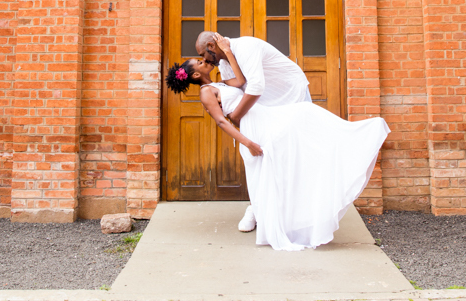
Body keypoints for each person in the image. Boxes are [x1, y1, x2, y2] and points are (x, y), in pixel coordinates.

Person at [166, 36, 390, 251]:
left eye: (201, 56)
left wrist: (227, 52)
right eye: (199, 61)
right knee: (269, 168)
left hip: (263, 117)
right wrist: (249, 143)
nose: (204, 60)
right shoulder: (206, 93)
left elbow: (243, 82)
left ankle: (351, 138)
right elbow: (223, 123)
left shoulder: (221, 81)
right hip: (254, 129)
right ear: (196, 74)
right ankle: (266, 217)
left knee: (306, 114)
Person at [195, 31, 312, 231]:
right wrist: (246, 134)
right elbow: (239, 92)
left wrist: (236, 118)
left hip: (288, 92)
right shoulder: (221, 66)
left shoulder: (246, 47)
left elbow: (254, 86)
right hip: (261, 107)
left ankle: (293, 210)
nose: (204, 60)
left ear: (211, 47)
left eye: (202, 56)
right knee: (266, 157)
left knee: (289, 152)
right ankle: (257, 207)